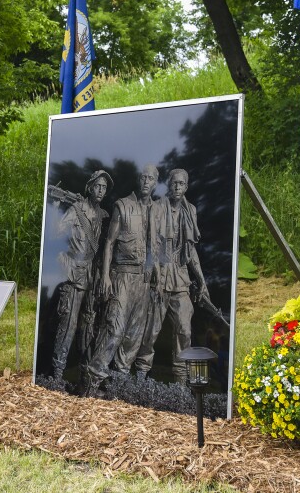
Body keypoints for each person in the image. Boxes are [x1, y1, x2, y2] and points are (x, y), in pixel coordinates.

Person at [79, 164, 157, 396]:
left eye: (150, 178)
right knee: (114, 328)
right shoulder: (123, 205)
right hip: (121, 276)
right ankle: (93, 381)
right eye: (143, 177)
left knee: (134, 334)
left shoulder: (156, 210)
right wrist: (105, 275)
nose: (146, 182)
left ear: (155, 183)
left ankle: (119, 385)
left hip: (143, 279)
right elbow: (109, 242)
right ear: (138, 180)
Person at [134, 168, 207, 381]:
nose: (177, 187)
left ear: (186, 187)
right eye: (174, 183)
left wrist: (201, 280)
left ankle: (181, 380)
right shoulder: (157, 207)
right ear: (169, 184)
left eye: (181, 184)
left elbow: (191, 250)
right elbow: (149, 244)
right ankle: (141, 373)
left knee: (184, 329)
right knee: (152, 329)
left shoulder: (190, 210)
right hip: (159, 275)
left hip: (181, 276)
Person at [51, 170, 112, 380]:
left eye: (104, 187)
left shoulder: (103, 216)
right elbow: (56, 233)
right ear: (90, 187)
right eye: (97, 186)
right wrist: (57, 206)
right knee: (68, 326)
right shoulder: (76, 210)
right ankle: (57, 372)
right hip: (74, 274)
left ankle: (84, 375)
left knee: (88, 325)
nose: (101, 190)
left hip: (91, 277)